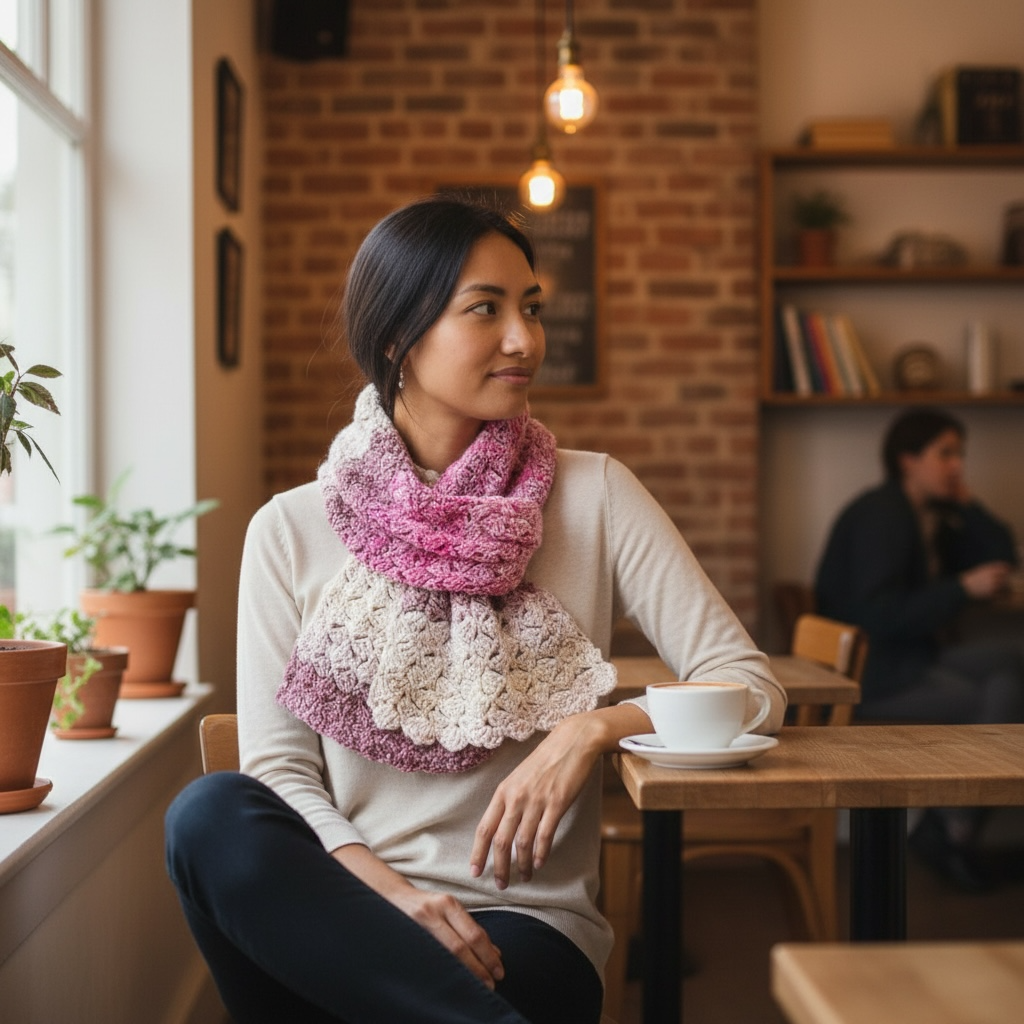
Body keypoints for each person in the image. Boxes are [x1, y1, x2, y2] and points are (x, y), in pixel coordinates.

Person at [164, 195, 784, 1024]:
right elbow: (280, 775)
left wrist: (592, 729)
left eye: (530, 307)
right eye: (484, 310)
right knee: (207, 814)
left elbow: (748, 682)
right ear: (396, 338)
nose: (524, 339)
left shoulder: (596, 494)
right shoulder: (288, 529)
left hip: (524, 927)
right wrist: (397, 903)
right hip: (346, 913)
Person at [815, 407, 1024, 891]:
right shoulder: (882, 516)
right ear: (908, 459)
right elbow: (876, 616)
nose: (957, 465)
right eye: (945, 454)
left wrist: (966, 502)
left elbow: (1003, 555)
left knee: (1011, 659)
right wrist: (961, 590)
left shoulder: (930, 514)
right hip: (875, 674)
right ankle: (949, 828)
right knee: (1004, 693)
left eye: (961, 455)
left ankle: (948, 822)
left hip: (913, 657)